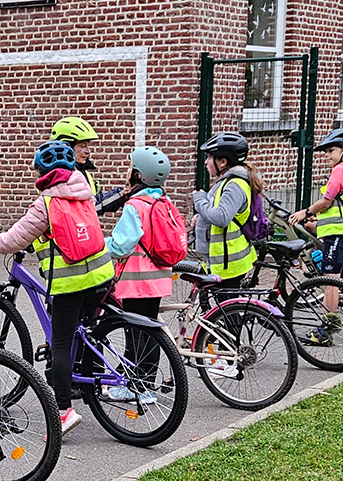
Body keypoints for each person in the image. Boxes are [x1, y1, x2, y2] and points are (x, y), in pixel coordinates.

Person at [0, 141, 114, 435]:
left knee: (59, 345)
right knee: (84, 332)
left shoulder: (46, 204)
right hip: (102, 276)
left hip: (72, 284)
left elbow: (14, 240)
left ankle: (63, 412)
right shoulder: (83, 193)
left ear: (42, 172)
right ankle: (89, 381)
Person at [103, 147, 177, 403]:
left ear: (137, 174)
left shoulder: (136, 205)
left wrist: (101, 244)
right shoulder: (164, 201)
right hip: (158, 279)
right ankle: (146, 385)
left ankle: (136, 388)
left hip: (136, 282)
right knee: (150, 332)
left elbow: (122, 245)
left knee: (135, 336)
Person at [289, 127, 343, 346]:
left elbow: (327, 201)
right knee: (331, 278)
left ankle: (326, 329)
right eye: (325, 151)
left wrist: (306, 212)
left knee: (330, 281)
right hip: (342, 229)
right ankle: (326, 324)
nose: (326, 155)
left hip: (338, 231)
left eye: (331, 150)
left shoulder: (340, 170)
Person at [191, 132, 261, 287]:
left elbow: (221, 217)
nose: (206, 162)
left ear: (222, 162)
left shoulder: (234, 185)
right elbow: (217, 209)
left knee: (227, 310)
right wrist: (202, 216)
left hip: (228, 262)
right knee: (224, 308)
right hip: (222, 259)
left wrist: (199, 200)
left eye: (209, 157)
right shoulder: (226, 181)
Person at [50, 116, 101, 196]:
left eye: (88, 146)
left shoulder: (84, 171)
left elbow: (95, 203)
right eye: (82, 146)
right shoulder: (60, 177)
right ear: (67, 148)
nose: (88, 151)